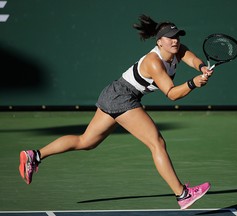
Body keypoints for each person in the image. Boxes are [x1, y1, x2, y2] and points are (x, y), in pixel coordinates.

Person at [19, 14, 213, 210]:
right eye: (170, 37)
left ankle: (34, 156)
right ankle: (182, 194)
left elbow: (192, 59)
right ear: (159, 41)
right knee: (157, 143)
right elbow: (171, 94)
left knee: (86, 141)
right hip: (122, 96)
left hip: (113, 93)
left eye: (177, 36)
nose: (175, 40)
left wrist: (202, 67)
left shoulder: (178, 50)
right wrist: (193, 83)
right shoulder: (154, 62)